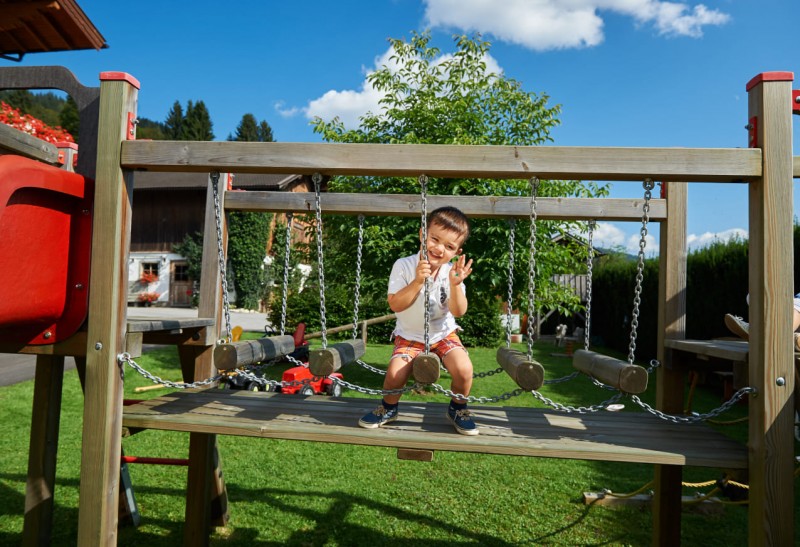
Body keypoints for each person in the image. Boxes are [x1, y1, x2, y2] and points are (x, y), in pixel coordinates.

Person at [358, 206, 478, 435]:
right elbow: (395, 304)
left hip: (443, 334)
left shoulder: (451, 273)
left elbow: (459, 311)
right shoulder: (403, 265)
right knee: (394, 374)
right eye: (435, 239)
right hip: (409, 335)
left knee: (464, 369)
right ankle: (389, 408)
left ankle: (458, 408)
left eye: (449, 246)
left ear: (457, 251)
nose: (439, 248)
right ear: (423, 234)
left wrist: (455, 286)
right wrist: (416, 282)